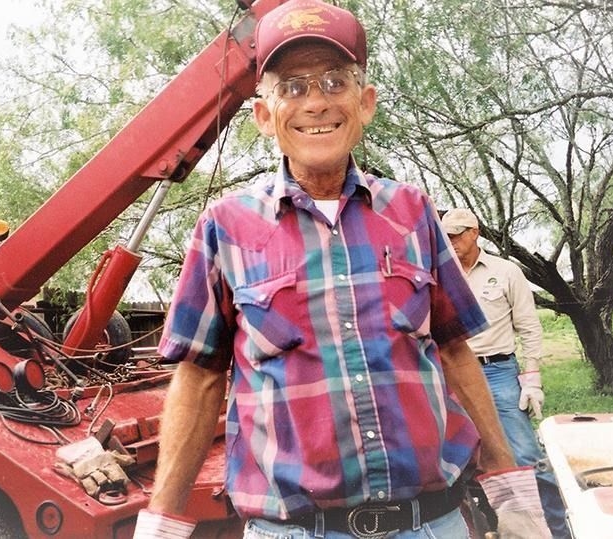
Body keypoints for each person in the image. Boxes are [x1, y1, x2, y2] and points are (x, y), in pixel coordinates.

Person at [134, 1, 550, 537]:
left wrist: (509, 485)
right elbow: (200, 377)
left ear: (365, 102)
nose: (316, 103)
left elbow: (452, 350)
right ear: (264, 115)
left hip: (431, 523)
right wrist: (162, 522)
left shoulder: (413, 213)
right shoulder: (225, 226)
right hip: (295, 529)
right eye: (292, 87)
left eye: (335, 81)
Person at [442, 207, 570, 538]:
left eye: (457, 234)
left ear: (475, 233)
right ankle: (489, 528)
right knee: (459, 459)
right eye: (447, 235)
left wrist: (532, 379)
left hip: (498, 370)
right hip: (454, 374)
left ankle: (556, 530)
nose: (451, 241)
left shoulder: (505, 271)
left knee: (526, 456)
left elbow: (529, 327)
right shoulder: (442, 275)